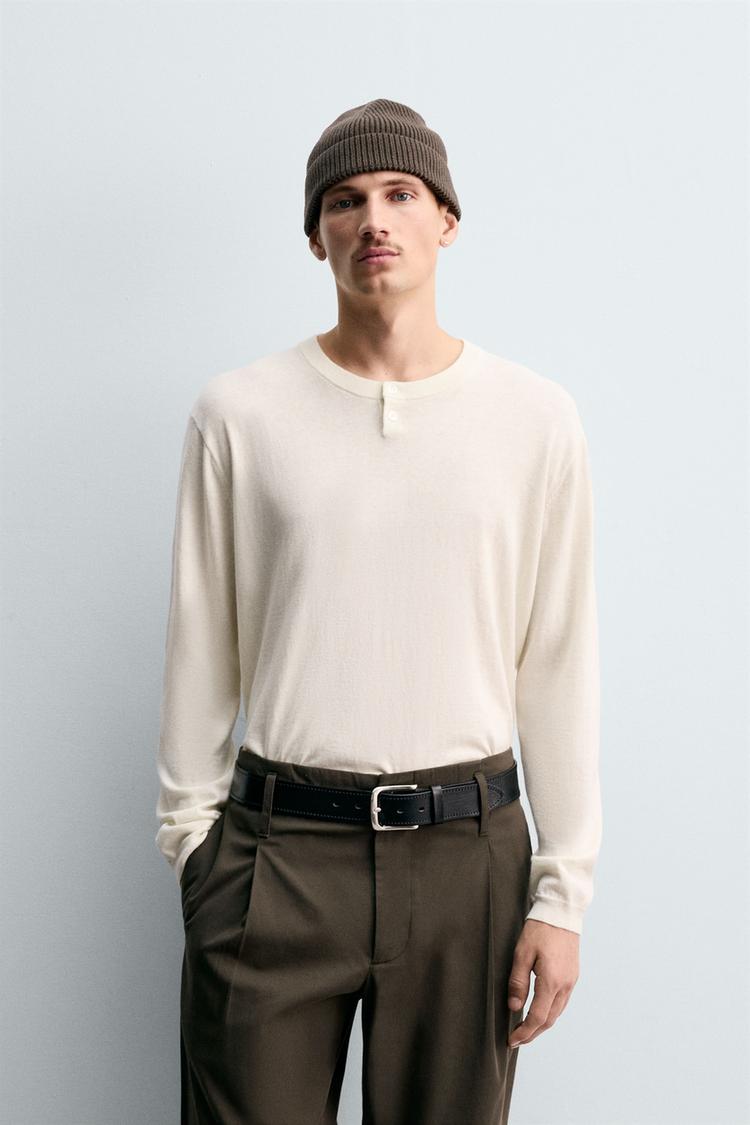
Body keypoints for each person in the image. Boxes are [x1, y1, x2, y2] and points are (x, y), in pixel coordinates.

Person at [155, 97, 602, 1125]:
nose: (374, 221)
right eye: (345, 201)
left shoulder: (534, 420)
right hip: (276, 854)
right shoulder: (240, 413)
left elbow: (559, 662)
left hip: (468, 857)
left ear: (447, 219)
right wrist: (197, 855)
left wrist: (562, 896)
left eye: (401, 193)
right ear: (317, 235)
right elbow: (201, 644)